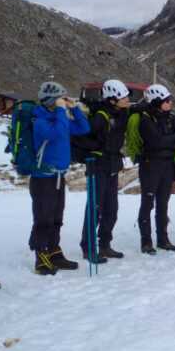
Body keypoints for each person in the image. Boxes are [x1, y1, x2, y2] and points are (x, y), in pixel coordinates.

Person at [30, 82, 90, 275]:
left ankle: (54, 250)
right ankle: (41, 256)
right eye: (61, 98)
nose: (64, 100)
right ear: (51, 100)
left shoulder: (59, 118)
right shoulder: (40, 121)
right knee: (43, 218)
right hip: (43, 178)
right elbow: (55, 134)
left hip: (58, 177)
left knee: (56, 217)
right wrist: (63, 112)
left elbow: (83, 129)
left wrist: (75, 110)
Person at [80, 79, 130, 261]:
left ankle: (104, 244)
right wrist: (97, 148)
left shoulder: (121, 113)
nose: (127, 100)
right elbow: (83, 136)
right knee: (95, 207)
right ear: (112, 99)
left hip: (112, 166)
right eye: (123, 97)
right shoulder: (100, 116)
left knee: (111, 209)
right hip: (99, 166)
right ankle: (88, 247)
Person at [136, 84, 175, 254]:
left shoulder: (170, 118)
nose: (170, 103)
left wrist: (169, 139)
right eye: (166, 101)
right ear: (156, 102)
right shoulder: (146, 119)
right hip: (151, 165)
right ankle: (146, 241)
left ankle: (163, 239)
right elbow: (156, 142)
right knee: (147, 203)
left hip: (166, 165)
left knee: (163, 203)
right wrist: (172, 139)